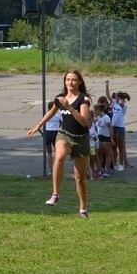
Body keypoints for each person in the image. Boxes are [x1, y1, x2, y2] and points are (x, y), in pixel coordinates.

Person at [27, 69, 92, 218]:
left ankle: (83, 207)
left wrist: (69, 107)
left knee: (79, 177)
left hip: (81, 139)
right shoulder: (60, 98)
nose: (70, 82)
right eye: (68, 79)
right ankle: (55, 194)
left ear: (80, 82)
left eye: (74, 80)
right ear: (64, 81)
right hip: (64, 135)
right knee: (59, 157)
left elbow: (84, 122)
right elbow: (51, 112)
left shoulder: (84, 99)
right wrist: (38, 125)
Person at [105, 80, 131, 171]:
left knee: (121, 146)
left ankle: (121, 164)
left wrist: (121, 101)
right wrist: (107, 85)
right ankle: (114, 164)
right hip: (113, 127)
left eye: (116, 97)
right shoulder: (114, 104)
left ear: (119, 98)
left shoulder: (123, 106)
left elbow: (122, 104)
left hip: (120, 127)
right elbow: (108, 95)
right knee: (113, 146)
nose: (115, 98)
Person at [92, 103, 113, 178]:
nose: (94, 112)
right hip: (99, 136)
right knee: (100, 153)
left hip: (106, 137)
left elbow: (110, 128)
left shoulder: (106, 118)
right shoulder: (98, 117)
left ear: (98, 110)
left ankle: (107, 170)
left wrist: (111, 138)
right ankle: (100, 169)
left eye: (95, 111)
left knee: (107, 154)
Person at [41, 102, 62, 174]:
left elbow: (40, 124)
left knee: (49, 152)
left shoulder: (46, 115)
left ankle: (51, 170)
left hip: (47, 132)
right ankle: (57, 168)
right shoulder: (58, 115)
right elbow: (63, 123)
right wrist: (59, 128)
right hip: (55, 132)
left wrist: (42, 133)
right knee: (57, 152)